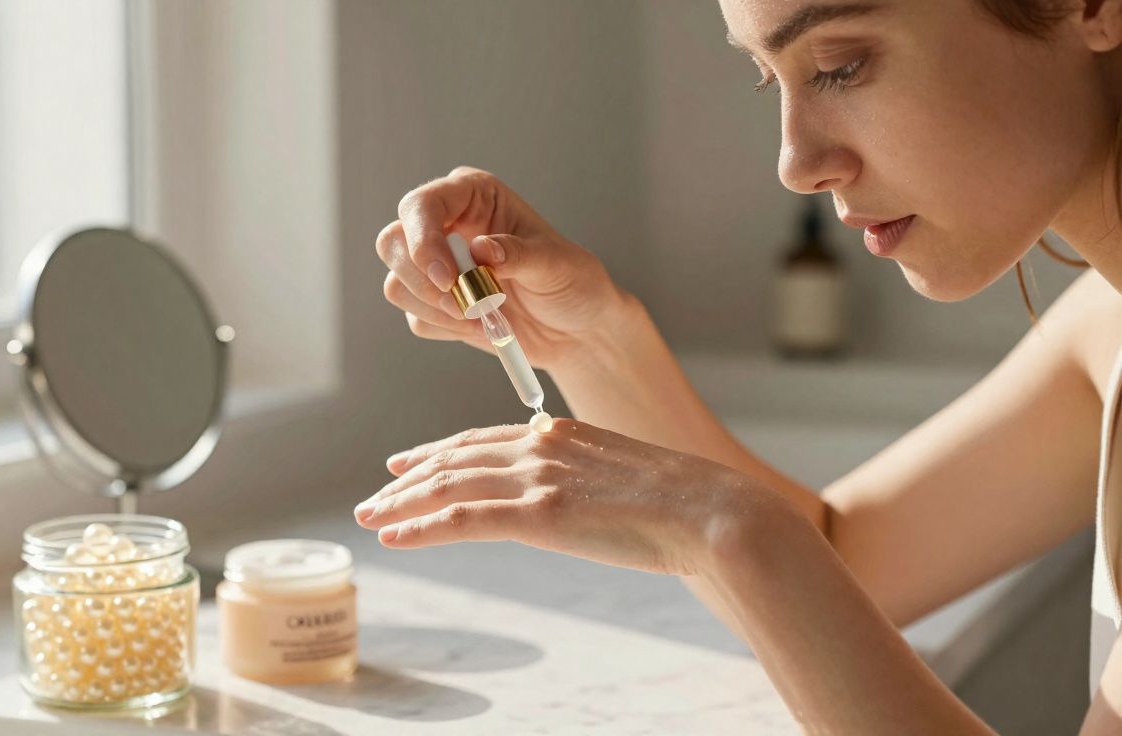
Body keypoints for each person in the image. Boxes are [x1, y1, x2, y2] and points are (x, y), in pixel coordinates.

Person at [356, 1, 1122, 731]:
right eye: (768, 77)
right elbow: (852, 565)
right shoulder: (1105, 322)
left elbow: (794, 559)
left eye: (841, 64)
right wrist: (588, 339)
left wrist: (723, 523)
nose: (795, 163)